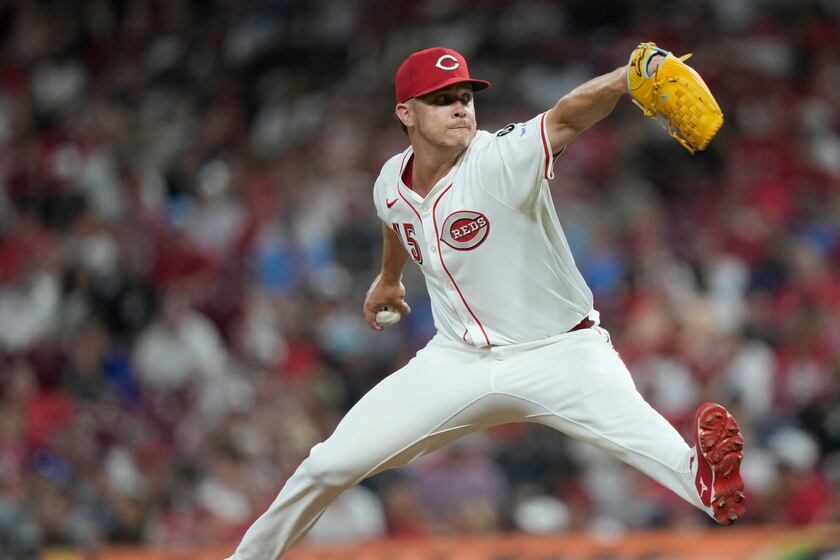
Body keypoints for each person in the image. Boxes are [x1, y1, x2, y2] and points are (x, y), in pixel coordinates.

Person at [227, 45, 745, 559]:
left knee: (657, 448)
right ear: (406, 113)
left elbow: (566, 117)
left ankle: (703, 481)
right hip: (458, 362)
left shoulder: (499, 158)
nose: (460, 108)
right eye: (442, 99)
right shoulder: (391, 179)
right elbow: (396, 219)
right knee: (326, 466)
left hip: (561, 355)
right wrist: (389, 278)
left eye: (466, 96)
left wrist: (629, 77)